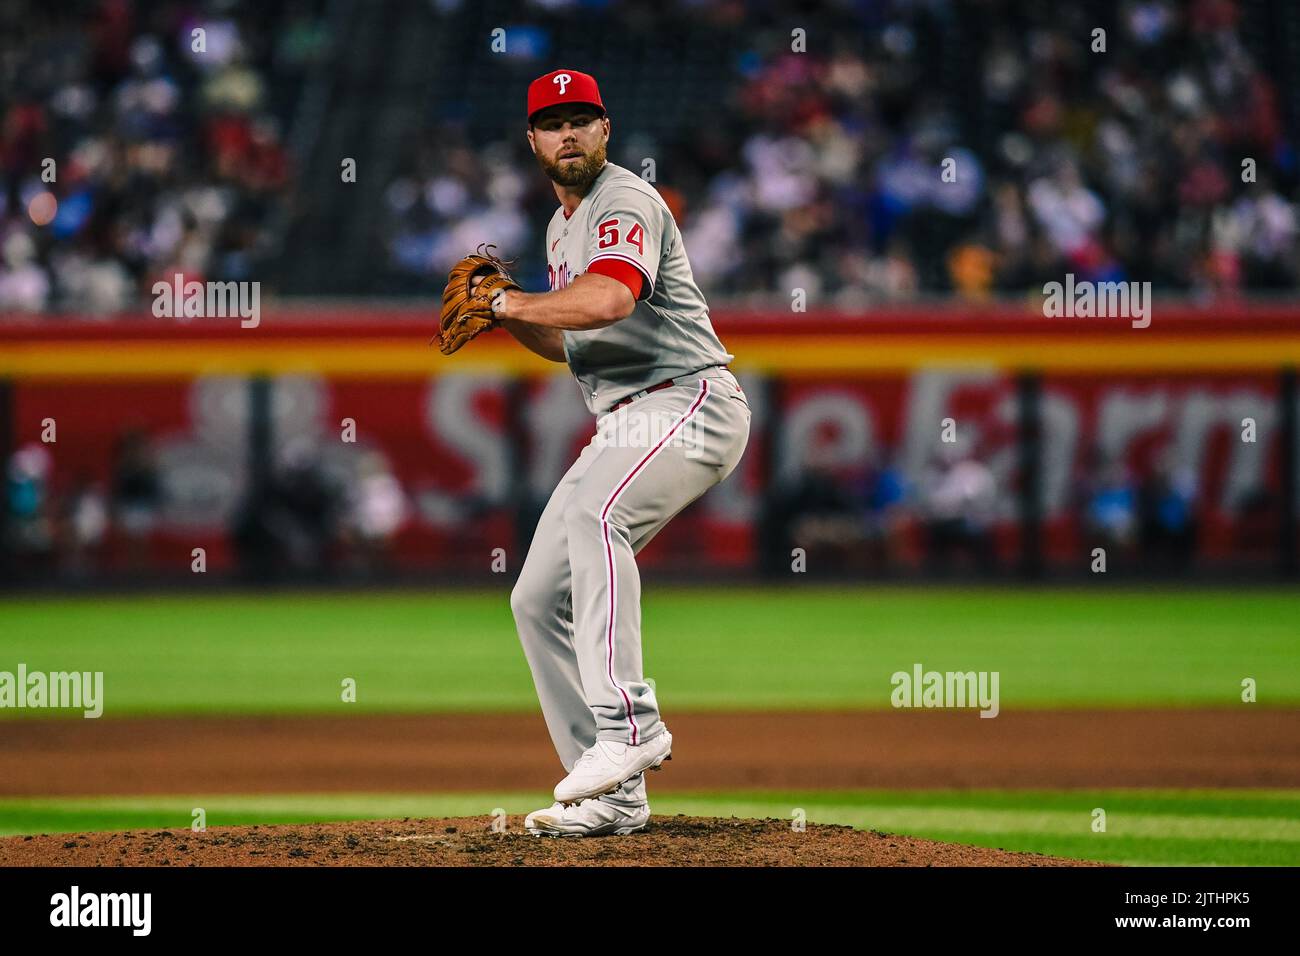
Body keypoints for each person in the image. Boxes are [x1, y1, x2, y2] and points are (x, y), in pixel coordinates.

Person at [488, 69, 751, 836]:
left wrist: (507, 300)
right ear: (531, 140)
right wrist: (506, 318)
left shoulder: (626, 199)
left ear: (606, 130)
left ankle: (630, 729)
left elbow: (610, 299)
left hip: (689, 400)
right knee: (536, 599)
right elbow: (572, 340)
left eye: (581, 120)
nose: (567, 134)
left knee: (600, 517)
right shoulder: (559, 228)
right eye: (552, 123)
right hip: (626, 418)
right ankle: (612, 799)